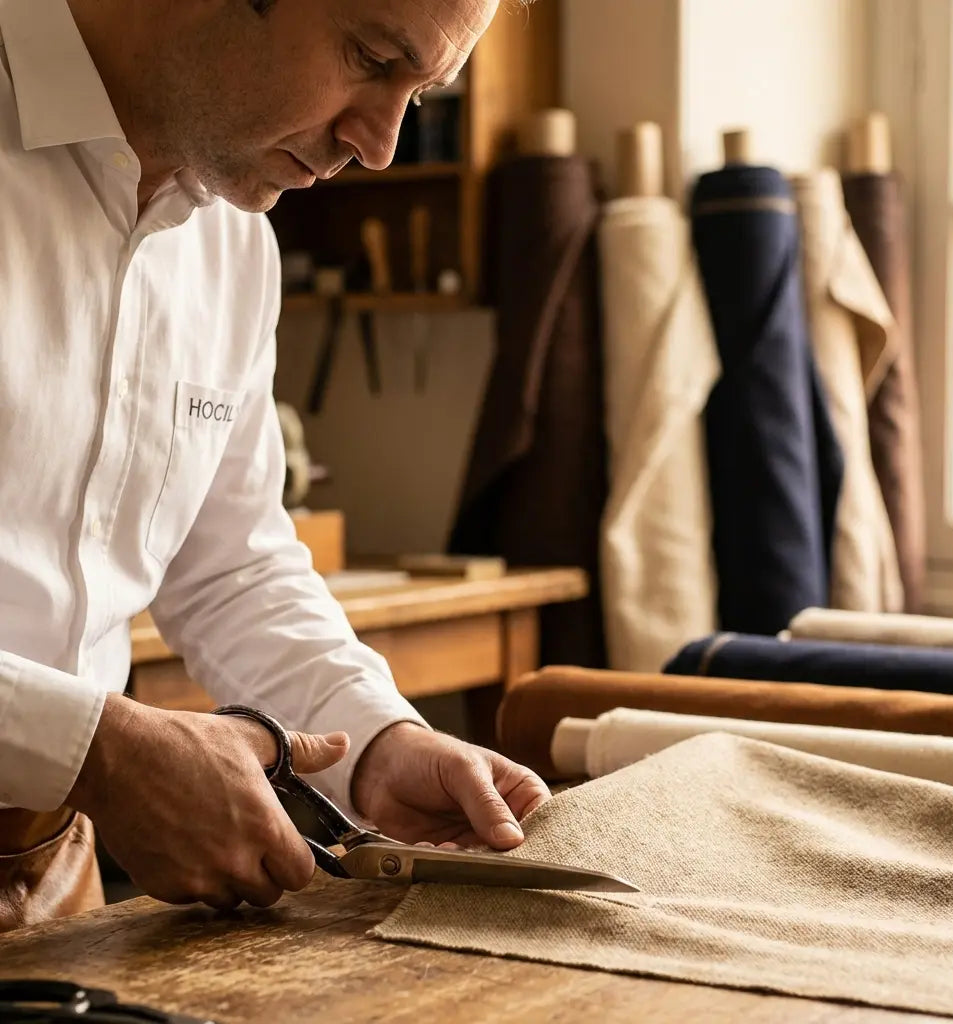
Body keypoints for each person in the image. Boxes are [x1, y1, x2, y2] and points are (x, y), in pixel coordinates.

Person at [0, 0, 549, 931]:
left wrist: (375, 742)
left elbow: (233, 566)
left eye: (419, 95)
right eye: (371, 58)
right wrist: (99, 750)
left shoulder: (232, 241)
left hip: (50, 871)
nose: (381, 146)